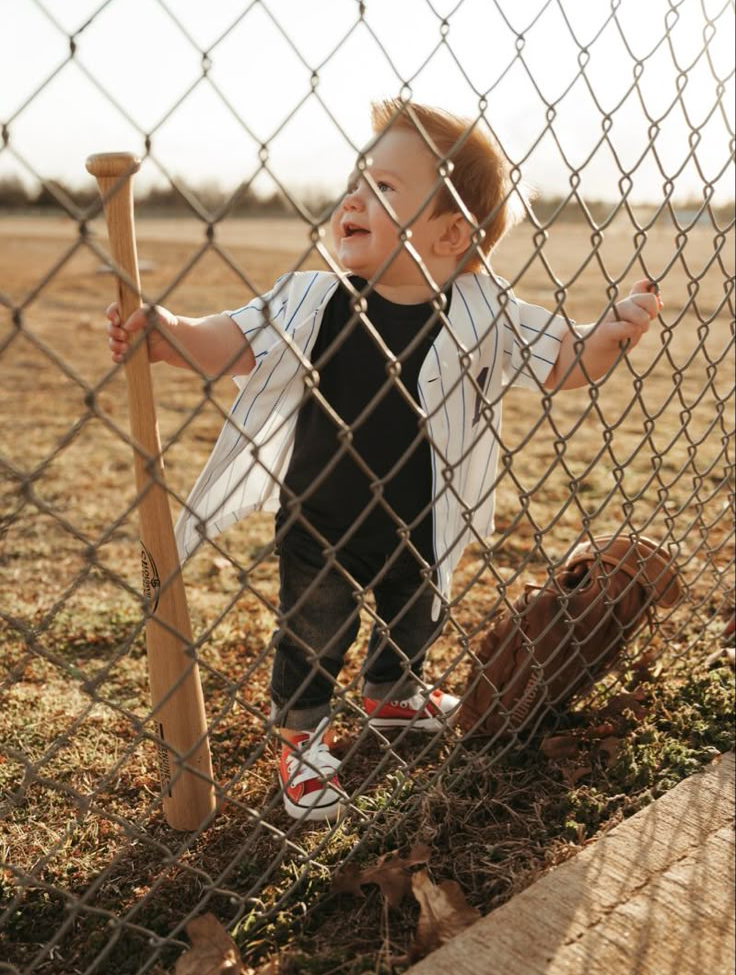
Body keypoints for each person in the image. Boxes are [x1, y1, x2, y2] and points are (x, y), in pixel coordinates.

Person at [105, 99, 662, 822]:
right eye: (355, 183)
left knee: (416, 610)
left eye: (385, 188)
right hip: (323, 518)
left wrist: (608, 335)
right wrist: (170, 333)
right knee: (313, 632)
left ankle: (392, 692)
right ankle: (303, 739)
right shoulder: (314, 298)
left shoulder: (482, 310)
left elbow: (561, 360)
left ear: (450, 231)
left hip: (426, 516)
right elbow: (233, 340)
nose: (353, 199)